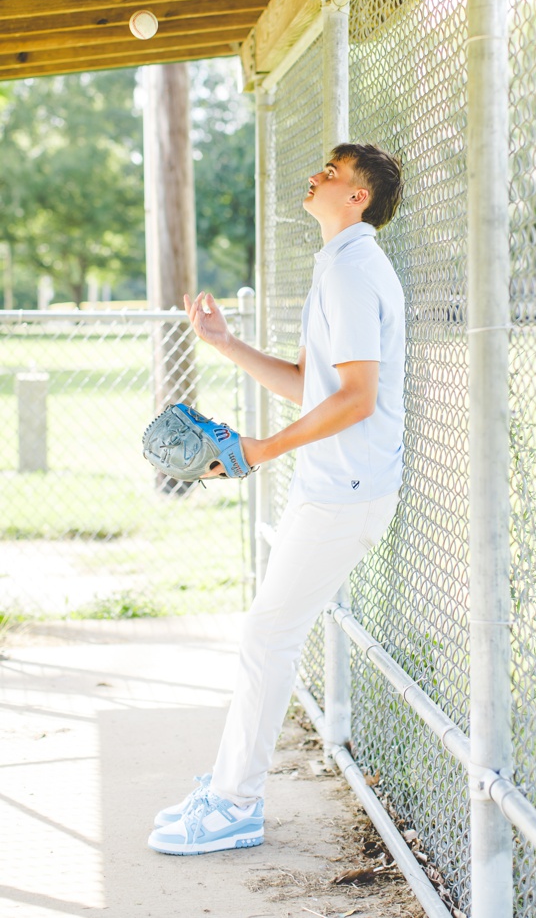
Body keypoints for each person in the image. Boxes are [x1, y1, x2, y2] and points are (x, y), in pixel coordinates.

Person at [147, 142, 406, 855]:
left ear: (359, 197)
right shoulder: (340, 263)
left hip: (345, 491)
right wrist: (227, 344)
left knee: (267, 635)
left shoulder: (355, 270)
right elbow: (313, 384)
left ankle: (235, 803)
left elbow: (356, 398)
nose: (318, 173)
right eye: (320, 163)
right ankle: (231, 790)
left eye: (335, 171)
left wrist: (260, 451)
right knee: (268, 633)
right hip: (332, 485)